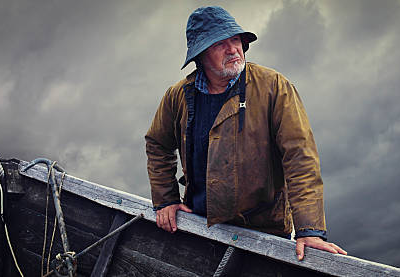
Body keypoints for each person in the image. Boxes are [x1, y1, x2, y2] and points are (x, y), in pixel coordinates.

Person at [145, 6, 346, 261]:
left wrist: (310, 230)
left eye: (235, 40)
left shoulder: (274, 86)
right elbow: (157, 144)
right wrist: (166, 201)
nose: (233, 50)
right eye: (220, 44)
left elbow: (299, 157)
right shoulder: (178, 96)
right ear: (201, 54)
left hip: (266, 232)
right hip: (201, 227)